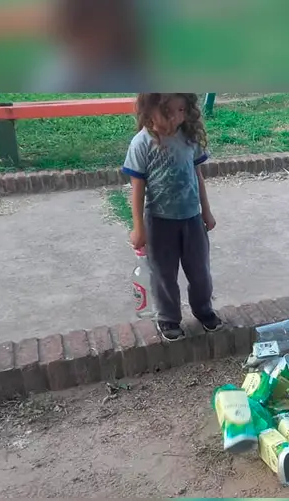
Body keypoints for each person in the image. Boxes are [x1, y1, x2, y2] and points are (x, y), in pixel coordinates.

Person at [123, 93, 222, 341]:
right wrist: (138, 228)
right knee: (163, 274)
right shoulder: (142, 143)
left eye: (181, 110)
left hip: (192, 218)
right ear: (150, 111)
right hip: (159, 222)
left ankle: (204, 310)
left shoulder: (189, 138)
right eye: (169, 112)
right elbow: (137, 189)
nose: (177, 117)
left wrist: (206, 210)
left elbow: (198, 176)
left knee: (200, 271)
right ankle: (168, 318)